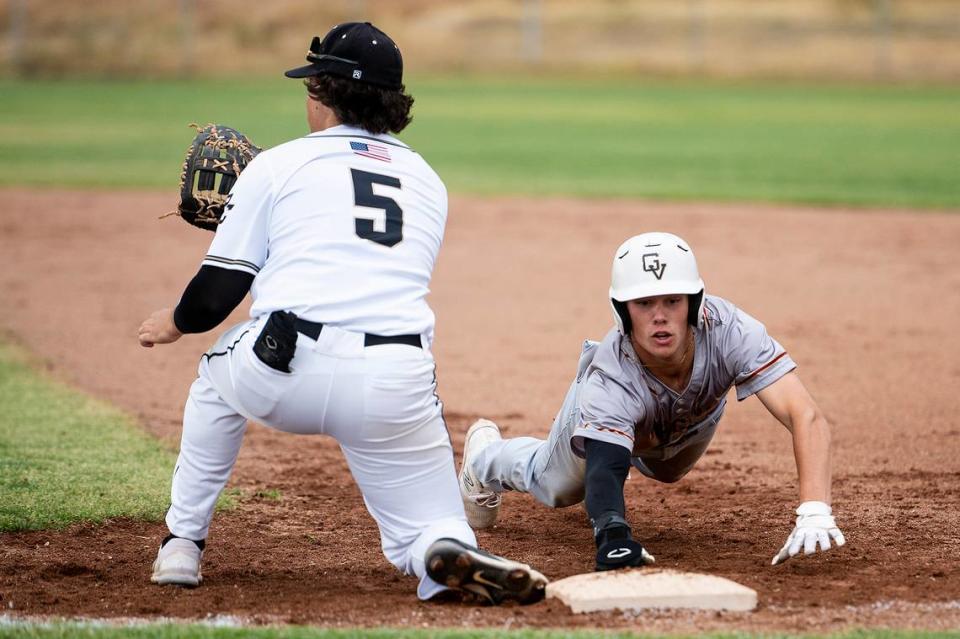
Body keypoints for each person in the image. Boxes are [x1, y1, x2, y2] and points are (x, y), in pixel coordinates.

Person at [137, 22, 546, 605]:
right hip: (396, 380)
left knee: (213, 377)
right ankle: (442, 555)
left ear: (325, 94)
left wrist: (173, 323)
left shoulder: (278, 166)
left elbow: (215, 295)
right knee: (430, 522)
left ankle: (182, 542)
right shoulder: (429, 182)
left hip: (285, 370)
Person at [458, 232, 846, 571]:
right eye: (644, 304)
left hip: (687, 424)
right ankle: (483, 460)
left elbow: (804, 414)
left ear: (693, 303)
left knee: (669, 472)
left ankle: (620, 444)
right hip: (611, 418)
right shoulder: (611, 377)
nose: (660, 317)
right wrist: (612, 533)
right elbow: (606, 471)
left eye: (672, 301)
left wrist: (814, 509)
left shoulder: (731, 332)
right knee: (560, 486)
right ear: (622, 312)